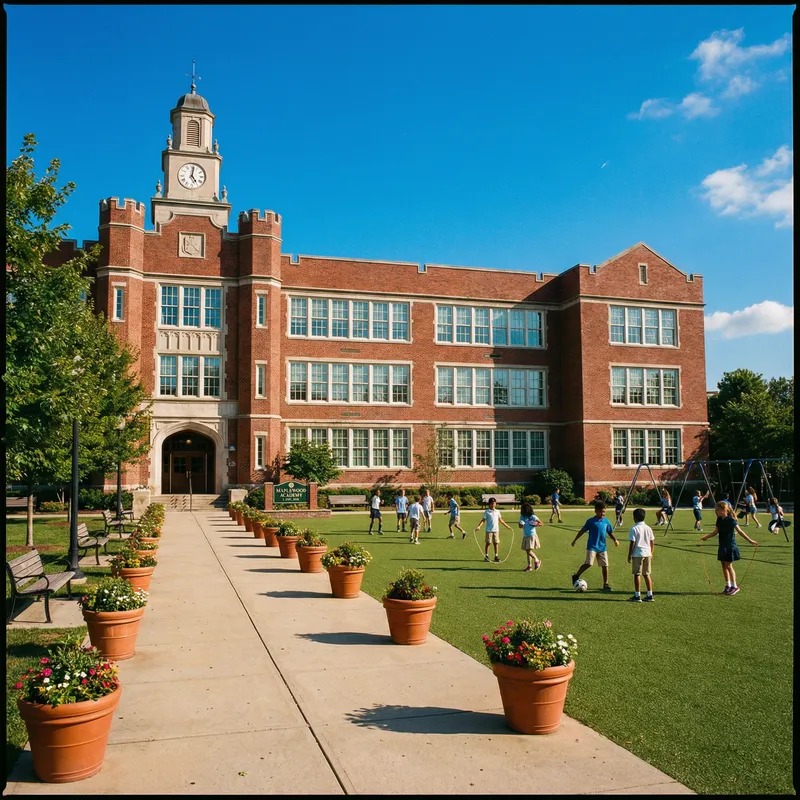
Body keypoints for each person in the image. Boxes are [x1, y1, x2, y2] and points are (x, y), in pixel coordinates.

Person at [701, 501, 757, 595]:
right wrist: (706, 537)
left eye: (718, 510)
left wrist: (750, 541)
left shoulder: (731, 520)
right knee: (723, 566)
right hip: (722, 545)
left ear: (724, 510)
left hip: (730, 545)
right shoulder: (719, 520)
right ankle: (728, 585)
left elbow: (740, 531)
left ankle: (734, 586)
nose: (717, 512)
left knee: (729, 565)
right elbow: (715, 532)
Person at [571, 501, 620, 592]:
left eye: (604, 512)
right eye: (600, 512)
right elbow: (582, 531)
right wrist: (575, 540)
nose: (602, 514)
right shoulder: (590, 521)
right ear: (596, 511)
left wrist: (615, 540)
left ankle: (606, 584)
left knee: (605, 565)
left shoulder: (606, 521)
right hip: (592, 546)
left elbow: (610, 532)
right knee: (589, 563)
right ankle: (576, 575)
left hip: (602, 547)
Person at [627, 508, 655, 602]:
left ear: (634, 518)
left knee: (637, 574)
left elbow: (633, 543)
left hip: (637, 553)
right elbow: (652, 542)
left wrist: (629, 554)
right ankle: (649, 594)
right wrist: (651, 552)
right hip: (647, 553)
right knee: (647, 574)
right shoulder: (648, 528)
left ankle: (637, 595)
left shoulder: (634, 528)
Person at [475, 497, 513, 563]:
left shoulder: (497, 511)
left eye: (494, 503)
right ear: (489, 504)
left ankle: (496, 556)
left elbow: (500, 520)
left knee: (496, 543)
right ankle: (486, 556)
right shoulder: (486, 512)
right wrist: (479, 526)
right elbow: (483, 520)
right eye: (492, 503)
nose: (493, 505)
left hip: (496, 530)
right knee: (488, 543)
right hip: (489, 530)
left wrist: (507, 526)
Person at [518, 501, 542, 572]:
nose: (522, 511)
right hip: (526, 535)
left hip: (531, 535)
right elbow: (520, 526)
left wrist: (534, 523)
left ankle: (537, 560)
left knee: (528, 550)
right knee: (528, 551)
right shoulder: (522, 517)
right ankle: (529, 566)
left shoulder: (532, 516)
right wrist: (520, 524)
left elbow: (541, 523)